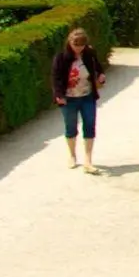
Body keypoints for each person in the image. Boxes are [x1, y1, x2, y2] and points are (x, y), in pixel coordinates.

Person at [51, 26, 105, 173]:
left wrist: (101, 76)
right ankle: (72, 155)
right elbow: (56, 79)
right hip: (68, 98)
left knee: (89, 125)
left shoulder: (89, 54)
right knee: (71, 127)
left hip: (87, 96)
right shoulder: (61, 57)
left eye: (81, 45)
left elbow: (99, 69)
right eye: (76, 45)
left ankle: (88, 160)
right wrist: (59, 95)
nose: (78, 48)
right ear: (69, 42)